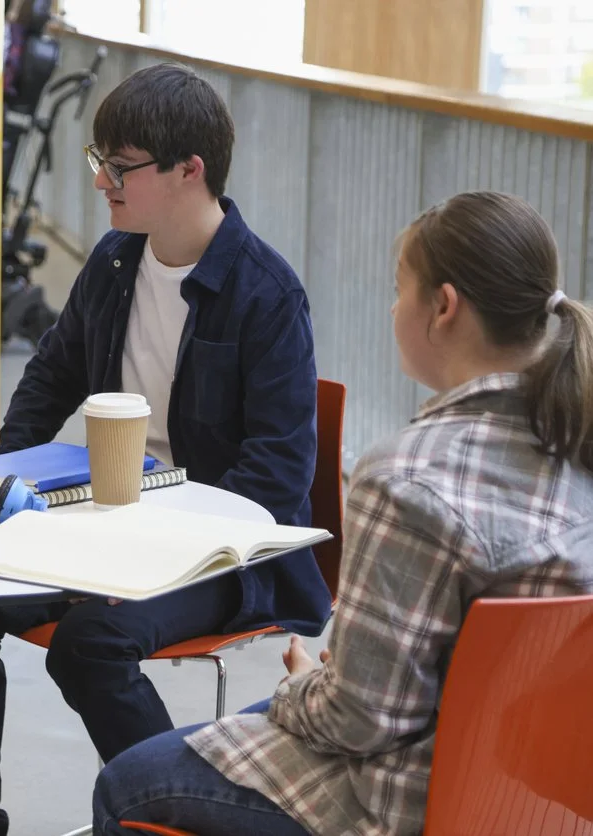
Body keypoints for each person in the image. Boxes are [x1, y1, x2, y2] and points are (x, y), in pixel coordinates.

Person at [94, 190, 593, 836]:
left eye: (398, 289)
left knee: (124, 784)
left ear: (443, 308)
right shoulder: (574, 443)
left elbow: (358, 721)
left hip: (398, 799)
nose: (391, 307)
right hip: (533, 799)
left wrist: (305, 686)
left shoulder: (406, 478)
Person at [0, 62, 332, 835]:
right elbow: (51, 374)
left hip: (225, 554)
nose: (101, 184)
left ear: (189, 170)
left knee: (91, 643)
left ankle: (179, 812)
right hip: (109, 525)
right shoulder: (116, 260)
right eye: (101, 163)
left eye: (118, 168)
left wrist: (152, 538)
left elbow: (278, 478)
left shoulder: (267, 294)